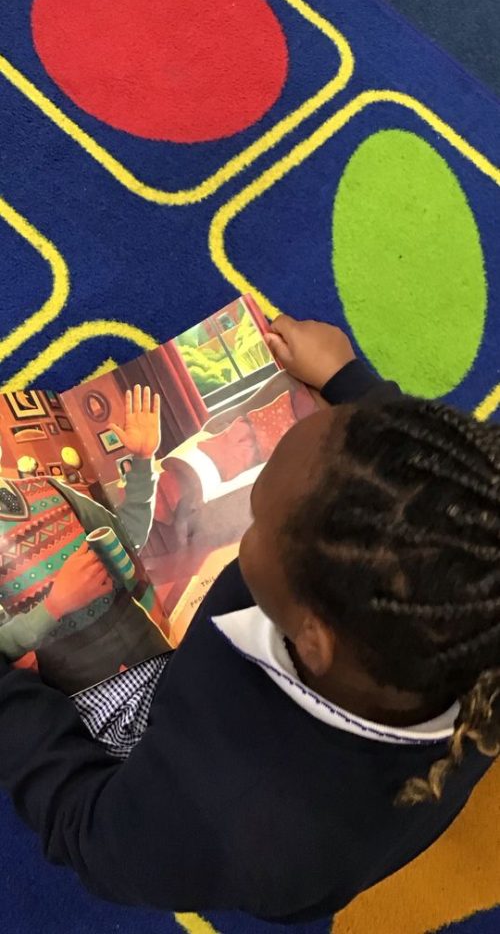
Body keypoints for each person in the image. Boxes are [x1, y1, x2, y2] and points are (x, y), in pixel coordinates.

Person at [0, 316, 498, 922]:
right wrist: (352, 385)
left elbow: (87, 831)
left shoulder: (219, 824)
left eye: (257, 519)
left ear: (311, 639)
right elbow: (455, 499)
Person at [0, 385, 167, 694]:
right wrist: (53, 606)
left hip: (140, 631)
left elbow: (129, 541)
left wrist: (143, 461)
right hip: (73, 673)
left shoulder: (49, 487)